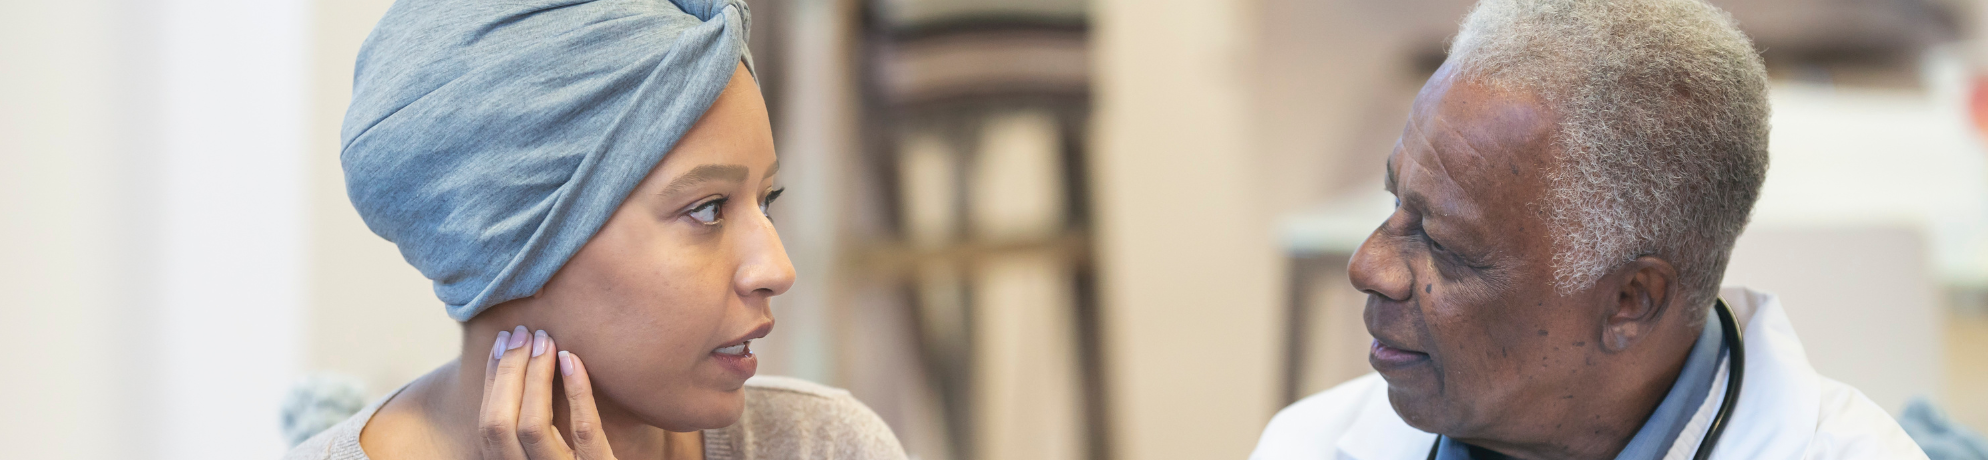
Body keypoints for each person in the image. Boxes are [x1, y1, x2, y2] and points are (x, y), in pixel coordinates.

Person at [1249, 0, 1929, 459]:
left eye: (1444, 243)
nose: (1368, 266)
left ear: (1631, 302)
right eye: (1396, 201)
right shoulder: (1310, 443)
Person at [283, 0, 906, 459]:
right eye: (708, 209)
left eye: (766, 201)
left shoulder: (823, 445)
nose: (777, 269)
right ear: (510, 242)